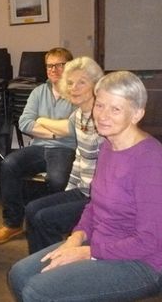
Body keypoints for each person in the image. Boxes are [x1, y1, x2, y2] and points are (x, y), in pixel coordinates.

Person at [8, 71, 162, 302]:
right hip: (104, 242)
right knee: (18, 275)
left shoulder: (150, 162)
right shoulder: (109, 146)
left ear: (137, 114)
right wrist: (76, 237)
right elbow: (94, 204)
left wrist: (87, 252)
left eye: (115, 109)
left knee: (37, 291)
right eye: (100, 105)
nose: (103, 116)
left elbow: (149, 240)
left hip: (148, 262)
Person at [0, 47, 76, 244]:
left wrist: (41, 120)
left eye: (59, 65)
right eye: (49, 66)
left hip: (65, 148)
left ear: (69, 67)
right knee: (9, 164)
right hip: (39, 146)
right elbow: (25, 123)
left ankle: (55, 223)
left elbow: (72, 128)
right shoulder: (38, 92)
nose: (53, 69)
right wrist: (55, 131)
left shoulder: (77, 92)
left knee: (57, 179)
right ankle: (12, 224)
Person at [25, 57, 104, 254]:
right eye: (70, 83)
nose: (74, 88)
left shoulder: (103, 119)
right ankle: (39, 260)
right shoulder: (78, 116)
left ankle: (57, 263)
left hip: (98, 197)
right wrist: (66, 194)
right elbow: (79, 160)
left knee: (45, 218)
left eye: (81, 82)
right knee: (31, 209)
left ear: (95, 85)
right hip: (81, 189)